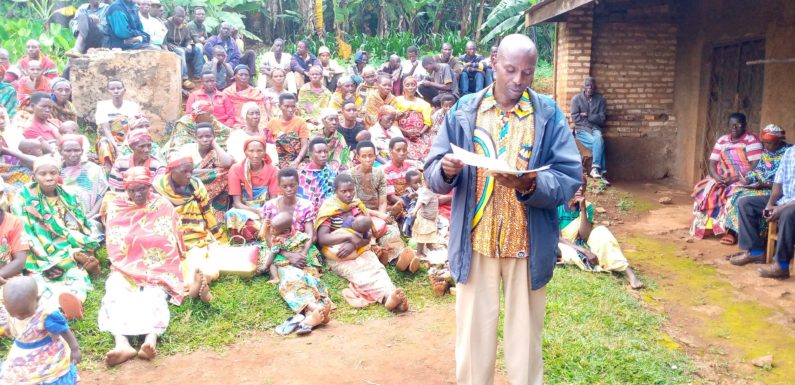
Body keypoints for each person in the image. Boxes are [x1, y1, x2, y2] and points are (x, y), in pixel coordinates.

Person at [424, 34, 582, 384]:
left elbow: (569, 177)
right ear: (494, 61)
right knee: (473, 336)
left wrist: (531, 185)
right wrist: (446, 171)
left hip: (526, 243)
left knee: (525, 341)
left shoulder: (547, 114)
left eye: (527, 73)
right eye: (510, 69)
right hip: (476, 240)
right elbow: (432, 172)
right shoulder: (465, 110)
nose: (518, 80)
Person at [99, 166, 202, 367]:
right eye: (132, 190)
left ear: (149, 187)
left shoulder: (161, 204)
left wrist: (155, 262)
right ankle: (122, 344)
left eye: (142, 189)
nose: (138, 194)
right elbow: (115, 241)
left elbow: (172, 237)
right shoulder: (117, 206)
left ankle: (150, 340)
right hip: (126, 266)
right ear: (126, 190)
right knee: (115, 291)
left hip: (159, 265)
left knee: (154, 295)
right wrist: (131, 263)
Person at [14, 156, 104, 320]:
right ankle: (53, 308)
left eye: (53, 173)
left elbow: (79, 225)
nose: (49, 178)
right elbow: (25, 231)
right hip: (37, 249)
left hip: (67, 244)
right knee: (40, 278)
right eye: (43, 174)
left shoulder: (69, 194)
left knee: (75, 275)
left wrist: (72, 242)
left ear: (59, 174)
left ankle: (72, 301)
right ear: (34, 176)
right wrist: (45, 261)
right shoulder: (23, 197)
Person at [315, 174, 408, 311]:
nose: (348, 194)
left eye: (351, 190)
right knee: (360, 273)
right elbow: (322, 239)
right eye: (344, 191)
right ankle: (386, 298)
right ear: (335, 191)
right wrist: (348, 236)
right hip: (338, 255)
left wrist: (354, 243)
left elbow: (367, 234)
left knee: (375, 267)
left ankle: (391, 295)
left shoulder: (356, 206)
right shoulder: (329, 209)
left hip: (360, 248)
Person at [558, 179, 643, 289]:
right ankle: (599, 264)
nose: (579, 188)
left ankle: (629, 272)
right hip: (564, 244)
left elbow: (584, 235)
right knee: (562, 250)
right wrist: (584, 251)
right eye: (576, 185)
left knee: (601, 231)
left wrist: (583, 209)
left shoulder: (587, 206)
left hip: (581, 242)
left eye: (582, 186)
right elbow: (557, 237)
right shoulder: (557, 206)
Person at [346, 140, 416, 268]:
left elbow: (383, 201)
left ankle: (399, 258)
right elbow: (355, 203)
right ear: (358, 157)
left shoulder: (379, 174)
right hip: (359, 214)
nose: (368, 159)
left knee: (390, 229)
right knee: (362, 231)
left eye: (371, 155)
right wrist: (377, 215)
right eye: (364, 156)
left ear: (375, 155)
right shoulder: (350, 175)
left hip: (378, 213)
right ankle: (376, 251)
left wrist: (381, 217)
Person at [729, 143, 795, 279]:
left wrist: (781, 208)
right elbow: (778, 182)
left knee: (788, 215)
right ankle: (755, 251)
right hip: (786, 199)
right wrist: (770, 204)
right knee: (746, 203)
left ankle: (781, 266)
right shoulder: (790, 152)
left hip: (791, 205)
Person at [691, 112, 761, 240]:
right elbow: (713, 162)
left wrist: (734, 179)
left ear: (745, 125)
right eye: (732, 125)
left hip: (742, 178)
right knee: (703, 188)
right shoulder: (722, 140)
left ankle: (730, 232)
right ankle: (706, 226)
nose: (734, 128)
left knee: (734, 194)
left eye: (738, 125)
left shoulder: (752, 140)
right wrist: (716, 177)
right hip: (722, 176)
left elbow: (755, 165)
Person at [0, 276, 81, 384]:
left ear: (37, 300)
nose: (19, 317)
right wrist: (7, 329)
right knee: (18, 376)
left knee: (48, 376)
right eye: (13, 314)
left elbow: (64, 331)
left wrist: (74, 349)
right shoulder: (15, 310)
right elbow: (13, 323)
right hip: (22, 352)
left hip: (46, 353)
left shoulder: (45, 315)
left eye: (24, 314)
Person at [262, 208, 331, 335]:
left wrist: (265, 266)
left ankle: (314, 308)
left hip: (291, 265)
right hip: (304, 264)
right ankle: (311, 318)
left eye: (273, 229)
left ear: (283, 230)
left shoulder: (278, 240)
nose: (271, 230)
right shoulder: (297, 235)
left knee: (291, 283)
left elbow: (271, 252)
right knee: (308, 281)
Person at [721, 124, 791, 245]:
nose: (765, 146)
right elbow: (759, 170)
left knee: (746, 199)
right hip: (761, 186)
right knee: (738, 193)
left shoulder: (789, 154)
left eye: (768, 143)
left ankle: (759, 238)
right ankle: (735, 233)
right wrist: (748, 179)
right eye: (763, 142)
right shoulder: (766, 152)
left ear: (779, 141)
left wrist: (765, 184)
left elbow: (787, 184)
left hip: (777, 193)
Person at [226, 137, 280, 242]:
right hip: (244, 210)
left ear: (264, 152)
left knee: (279, 219)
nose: (255, 155)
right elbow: (237, 203)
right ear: (245, 152)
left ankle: (260, 236)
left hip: (266, 210)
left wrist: (264, 212)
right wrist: (256, 211)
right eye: (251, 151)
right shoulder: (236, 169)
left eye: (259, 151)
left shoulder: (273, 170)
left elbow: (273, 201)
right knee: (231, 215)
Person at [94, 79, 142, 172]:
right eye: (112, 89)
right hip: (109, 138)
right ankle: (107, 170)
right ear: (108, 91)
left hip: (128, 138)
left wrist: (124, 144)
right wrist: (116, 146)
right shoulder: (102, 106)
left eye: (119, 88)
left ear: (124, 90)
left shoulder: (132, 106)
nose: (116, 91)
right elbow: (106, 129)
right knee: (104, 144)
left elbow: (132, 127)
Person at [59, 134, 108, 220]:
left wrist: (90, 215)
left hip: (89, 216)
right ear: (60, 152)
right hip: (60, 215)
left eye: (77, 150)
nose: (73, 154)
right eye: (68, 151)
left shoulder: (94, 169)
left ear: (82, 151)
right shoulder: (55, 170)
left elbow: (102, 196)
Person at [570, 77, 608, 180]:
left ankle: (595, 168)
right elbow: (575, 118)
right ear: (584, 87)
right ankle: (602, 173)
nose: (589, 88)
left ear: (595, 87)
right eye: (587, 86)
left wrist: (588, 115)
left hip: (595, 128)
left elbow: (602, 118)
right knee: (600, 144)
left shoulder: (599, 100)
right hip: (581, 129)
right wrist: (590, 119)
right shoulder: (576, 100)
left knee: (598, 139)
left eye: (591, 86)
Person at [163, 100, 230, 157]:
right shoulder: (184, 124)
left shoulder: (212, 121)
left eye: (212, 113)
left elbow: (226, 131)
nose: (212, 116)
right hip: (187, 152)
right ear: (199, 115)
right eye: (209, 114)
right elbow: (179, 144)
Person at [394, 77, 433, 161]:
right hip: (401, 132)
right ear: (403, 87)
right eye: (407, 85)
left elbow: (427, 122)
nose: (410, 87)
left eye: (413, 85)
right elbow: (393, 119)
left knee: (428, 148)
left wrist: (419, 133)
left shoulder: (424, 103)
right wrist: (405, 132)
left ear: (416, 87)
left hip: (419, 134)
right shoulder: (396, 101)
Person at [267, 92, 310, 169]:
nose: (290, 109)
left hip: (297, 160)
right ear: (279, 106)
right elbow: (268, 145)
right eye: (286, 106)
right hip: (277, 161)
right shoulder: (272, 123)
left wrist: (297, 161)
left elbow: (304, 145)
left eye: (293, 106)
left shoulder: (300, 122)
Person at [297, 137, 338, 216]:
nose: (323, 155)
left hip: (330, 214)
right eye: (319, 152)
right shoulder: (302, 175)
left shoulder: (333, 173)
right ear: (311, 153)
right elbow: (300, 200)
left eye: (326, 152)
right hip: (306, 215)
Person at [165, 6, 204, 87]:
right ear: (173, 15)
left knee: (199, 47)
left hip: (183, 48)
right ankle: (184, 78)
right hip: (172, 49)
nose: (181, 18)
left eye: (183, 16)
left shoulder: (185, 26)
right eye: (179, 16)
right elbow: (163, 40)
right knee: (181, 51)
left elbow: (188, 39)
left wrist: (189, 45)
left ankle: (197, 75)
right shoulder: (166, 24)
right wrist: (168, 45)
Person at [297, 65, 332, 133]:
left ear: (321, 76)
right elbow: (300, 107)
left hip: (322, 120)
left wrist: (321, 119)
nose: (314, 76)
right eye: (312, 74)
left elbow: (328, 109)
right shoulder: (304, 90)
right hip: (307, 119)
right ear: (309, 76)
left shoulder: (327, 93)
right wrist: (309, 119)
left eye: (317, 74)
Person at [318, 108, 352, 173]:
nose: (334, 122)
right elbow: (310, 156)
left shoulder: (339, 137)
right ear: (323, 121)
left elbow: (345, 157)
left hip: (336, 169)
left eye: (336, 120)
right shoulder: (315, 136)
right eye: (331, 119)